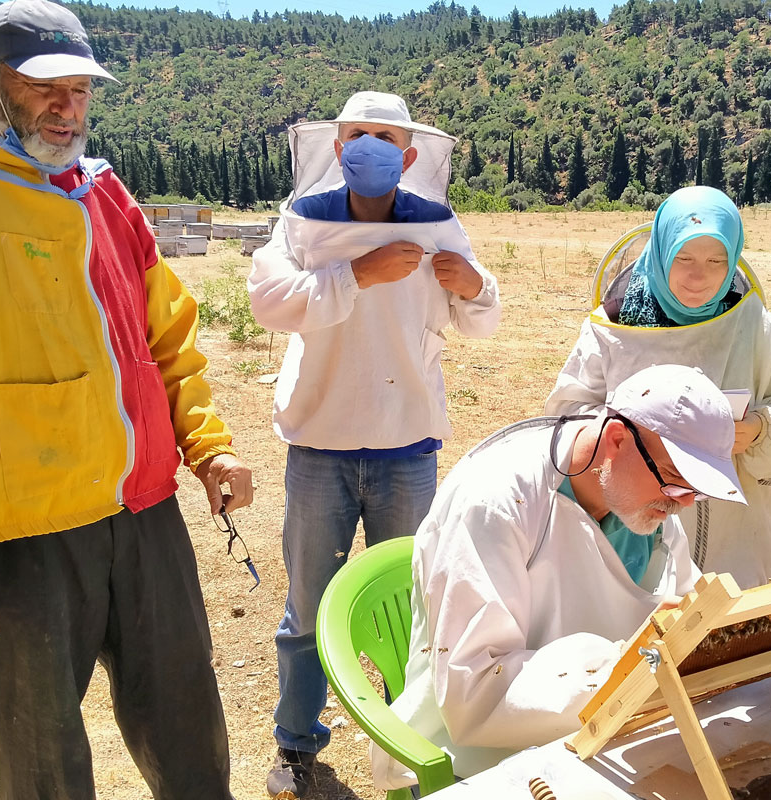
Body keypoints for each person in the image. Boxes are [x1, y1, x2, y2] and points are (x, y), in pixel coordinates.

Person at [0, 2, 252, 798]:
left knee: (189, 727)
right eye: (44, 88)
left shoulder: (103, 194)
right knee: (41, 759)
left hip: (143, 514)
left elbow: (168, 337)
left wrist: (206, 444)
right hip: (19, 537)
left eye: (80, 89)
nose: (67, 108)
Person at [248, 91, 501, 798]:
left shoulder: (439, 224)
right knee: (307, 605)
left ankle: (413, 745)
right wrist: (357, 274)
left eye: (386, 137)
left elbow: (482, 320)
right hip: (320, 447)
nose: (371, 147)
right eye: (358, 134)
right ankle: (297, 748)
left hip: (406, 447)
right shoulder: (302, 222)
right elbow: (268, 301)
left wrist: (473, 284)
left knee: (414, 609)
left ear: (411, 154)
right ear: (337, 146)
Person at [371, 364, 744, 788]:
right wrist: (622, 666)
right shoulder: (495, 502)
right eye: (677, 484)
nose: (684, 504)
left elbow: (680, 605)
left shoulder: (643, 497)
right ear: (617, 440)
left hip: (606, 733)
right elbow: (473, 695)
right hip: (484, 763)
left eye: (696, 490)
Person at [545, 186, 771, 588]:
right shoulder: (614, 323)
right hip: (628, 527)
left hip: (732, 532)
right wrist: (634, 439)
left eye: (717, 260)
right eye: (684, 258)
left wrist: (759, 429)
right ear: (662, 250)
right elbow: (568, 414)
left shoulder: (753, 322)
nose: (699, 276)